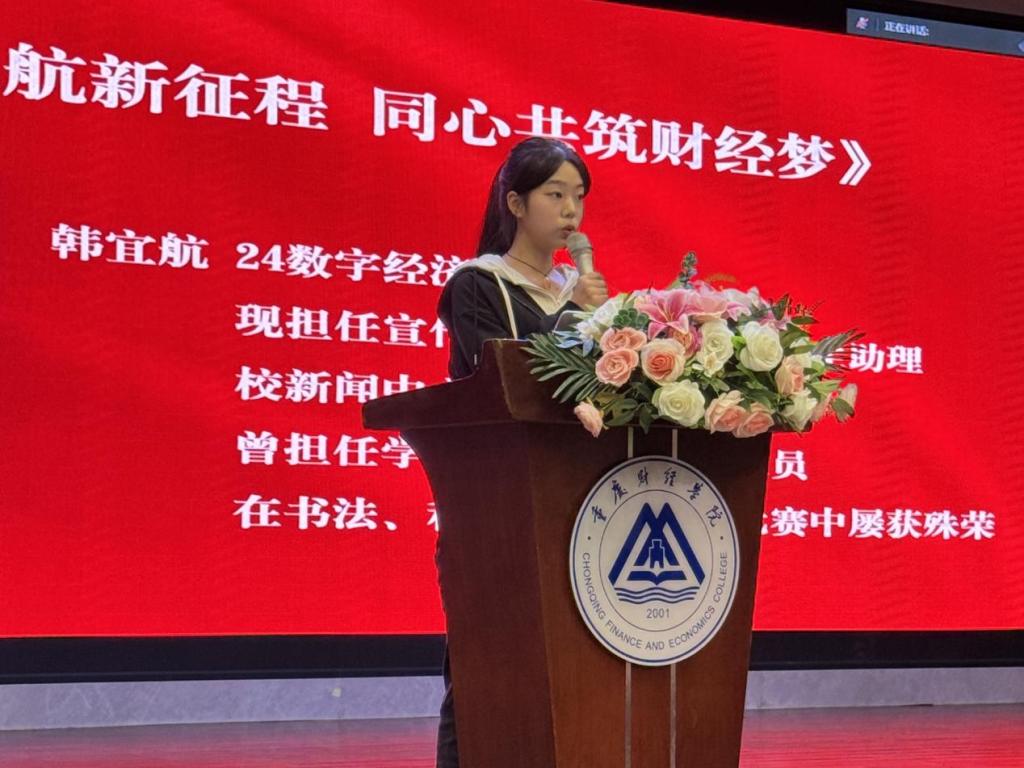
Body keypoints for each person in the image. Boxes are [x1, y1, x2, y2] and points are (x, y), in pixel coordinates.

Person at [433, 137, 609, 767]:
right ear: (515, 203)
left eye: (578, 197)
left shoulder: (577, 293)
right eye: (555, 195)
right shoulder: (477, 284)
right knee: (486, 669)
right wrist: (573, 318)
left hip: (577, 505)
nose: (571, 211)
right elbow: (500, 372)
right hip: (496, 507)